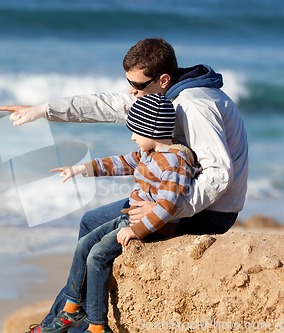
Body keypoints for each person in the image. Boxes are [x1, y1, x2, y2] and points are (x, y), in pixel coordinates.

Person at [0, 38, 248, 333]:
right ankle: (66, 316)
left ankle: (72, 325)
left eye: (137, 85)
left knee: (96, 237)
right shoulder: (165, 96)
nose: (132, 91)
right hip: (176, 198)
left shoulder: (195, 106)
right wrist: (43, 110)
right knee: (90, 221)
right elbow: (109, 104)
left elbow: (219, 175)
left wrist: (166, 211)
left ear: (163, 79)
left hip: (208, 210)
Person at [42, 93, 199, 333]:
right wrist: (80, 169)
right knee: (84, 244)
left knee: (97, 256)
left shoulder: (175, 161)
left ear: (151, 129)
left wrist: (135, 230)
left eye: (136, 131)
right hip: (130, 217)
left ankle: (97, 326)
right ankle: (71, 310)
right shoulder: (150, 154)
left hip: (151, 227)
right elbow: (120, 163)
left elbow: (169, 206)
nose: (132, 136)